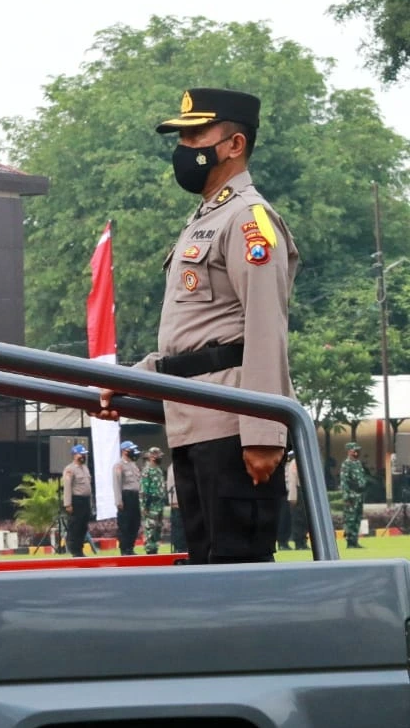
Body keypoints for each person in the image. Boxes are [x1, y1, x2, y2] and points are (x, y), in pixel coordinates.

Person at [94, 88, 299, 564]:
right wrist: (130, 381)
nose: (184, 147)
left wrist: (263, 433)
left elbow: (265, 329)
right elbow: (193, 338)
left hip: (231, 428)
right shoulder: (203, 220)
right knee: (207, 574)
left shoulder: (250, 220)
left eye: (195, 134)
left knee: (237, 578)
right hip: (190, 426)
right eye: (181, 136)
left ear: (234, 144)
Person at [61, 444, 93, 558]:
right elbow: (67, 487)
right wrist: (68, 504)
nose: (83, 456)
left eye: (84, 454)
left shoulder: (85, 468)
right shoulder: (70, 469)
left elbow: (88, 487)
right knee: (75, 526)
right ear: (74, 455)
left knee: (83, 526)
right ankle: (75, 550)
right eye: (81, 454)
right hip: (76, 500)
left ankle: (80, 549)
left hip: (85, 501)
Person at [113, 441, 143, 555]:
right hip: (126, 496)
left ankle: (130, 547)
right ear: (124, 451)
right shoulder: (119, 466)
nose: (132, 451)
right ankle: (124, 549)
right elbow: (117, 484)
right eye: (130, 449)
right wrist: (118, 501)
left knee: (135, 523)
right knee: (125, 524)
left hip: (135, 497)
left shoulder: (133, 464)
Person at [340, 442, 367, 549]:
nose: (356, 453)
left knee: (357, 519)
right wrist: (346, 497)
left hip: (359, 495)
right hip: (351, 495)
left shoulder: (358, 463)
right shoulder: (346, 464)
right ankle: (350, 542)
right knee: (350, 519)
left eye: (357, 451)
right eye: (354, 450)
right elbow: (344, 482)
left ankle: (355, 541)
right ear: (349, 451)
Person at [140, 447, 167, 555]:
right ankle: (150, 550)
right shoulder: (147, 470)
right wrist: (144, 506)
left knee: (158, 527)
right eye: (158, 455)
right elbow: (143, 490)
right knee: (150, 527)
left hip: (159, 504)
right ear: (151, 457)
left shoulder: (159, 469)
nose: (160, 457)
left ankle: (155, 548)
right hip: (150, 504)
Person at [286, 450, 308, 551]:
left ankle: (303, 541)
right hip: (298, 492)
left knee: (304, 519)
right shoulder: (295, 463)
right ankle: (299, 543)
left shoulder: (303, 461)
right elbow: (292, 481)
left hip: (303, 492)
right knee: (298, 519)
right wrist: (293, 497)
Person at [278, 449, 298, 551]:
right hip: (283, 494)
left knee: (287, 520)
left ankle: (284, 541)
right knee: (283, 519)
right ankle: (282, 542)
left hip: (288, 493)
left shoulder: (289, 465)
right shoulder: (287, 466)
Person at [166, 463, 187, 554]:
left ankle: (181, 547)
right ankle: (180, 548)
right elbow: (172, 485)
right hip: (177, 501)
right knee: (179, 527)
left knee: (181, 526)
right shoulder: (173, 467)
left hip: (181, 501)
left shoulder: (173, 466)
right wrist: (174, 501)